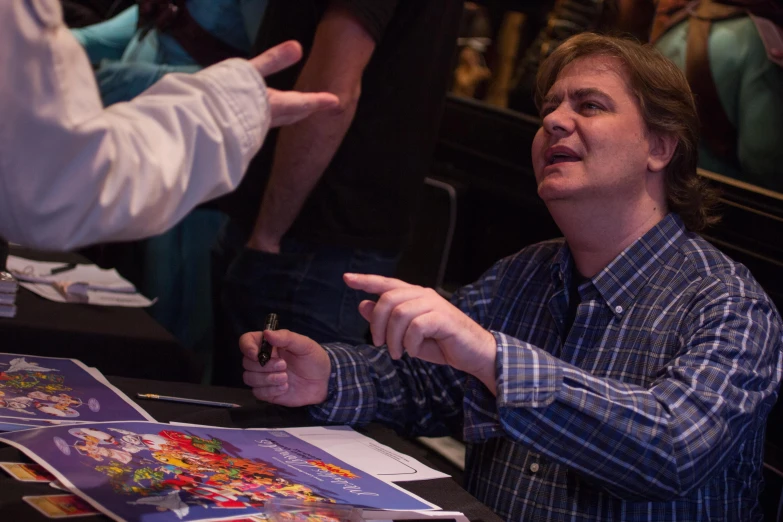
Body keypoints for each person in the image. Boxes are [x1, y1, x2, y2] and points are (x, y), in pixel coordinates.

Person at [240, 33, 783, 521]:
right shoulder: (525, 272)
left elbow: (671, 451)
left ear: (660, 147)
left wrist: (494, 357)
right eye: (549, 108)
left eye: (589, 105)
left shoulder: (729, 302)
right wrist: (326, 374)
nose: (552, 121)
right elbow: (429, 382)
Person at [211, 0, 464, 385]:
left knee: (263, 419)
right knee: (256, 418)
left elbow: (329, 96)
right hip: (314, 239)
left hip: (306, 245)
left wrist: (267, 233)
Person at [0, 0, 338, 252]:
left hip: (186, 158)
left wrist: (224, 104)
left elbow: (265, 64)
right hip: (160, 145)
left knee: (179, 303)